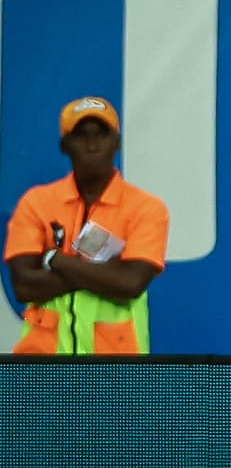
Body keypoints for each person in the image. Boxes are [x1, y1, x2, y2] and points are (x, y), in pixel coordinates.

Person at [6, 97, 170, 355]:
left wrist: (55, 259)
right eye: (81, 136)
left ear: (116, 142)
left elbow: (130, 285)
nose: (92, 145)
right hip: (42, 366)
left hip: (114, 370)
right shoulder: (36, 202)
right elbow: (23, 287)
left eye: (101, 135)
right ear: (64, 146)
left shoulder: (146, 208)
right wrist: (105, 272)